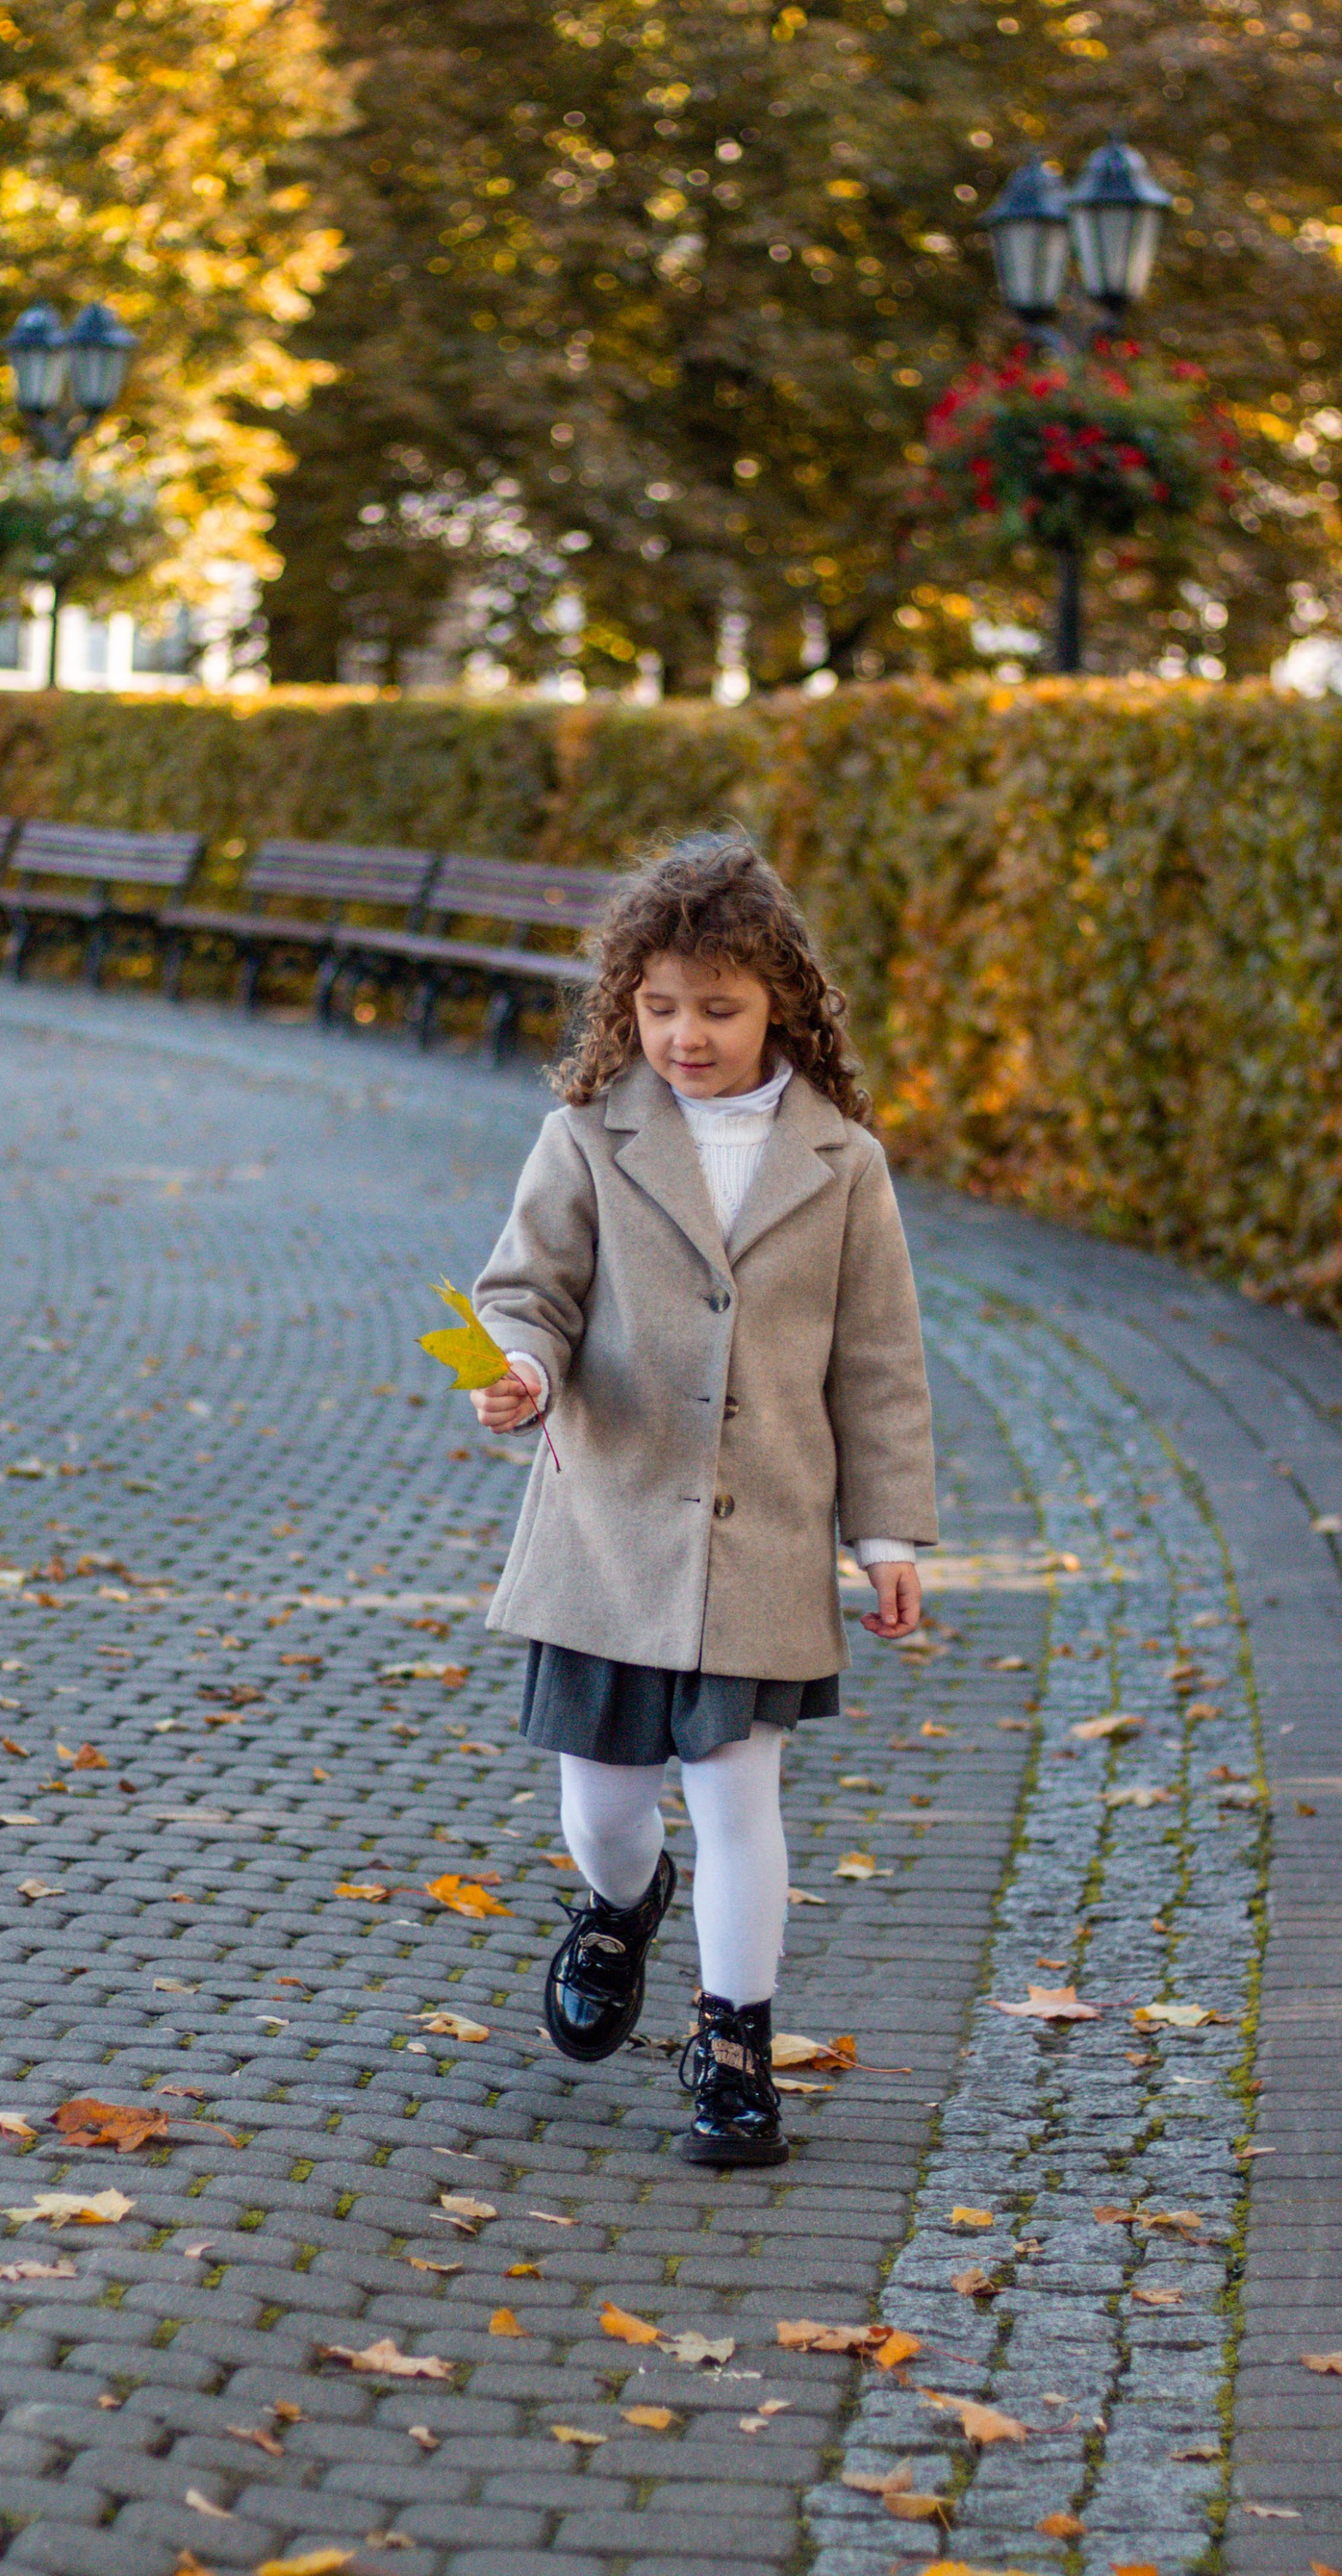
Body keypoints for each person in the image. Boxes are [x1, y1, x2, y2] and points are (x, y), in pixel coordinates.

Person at [468, 833, 937, 2166]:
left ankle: (735, 2051)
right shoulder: (585, 1135)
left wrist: (887, 1533)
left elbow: (879, 1360)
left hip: (765, 1536)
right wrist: (520, 1369)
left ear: (780, 1001)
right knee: (604, 1809)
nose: (687, 1036)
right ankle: (621, 1907)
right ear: (629, 1004)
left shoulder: (843, 1161)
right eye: (661, 1007)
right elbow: (527, 1291)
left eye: (719, 1009)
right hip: (608, 1529)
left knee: (740, 1799)